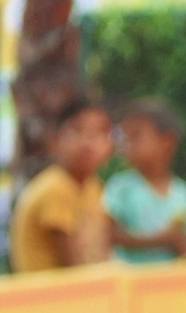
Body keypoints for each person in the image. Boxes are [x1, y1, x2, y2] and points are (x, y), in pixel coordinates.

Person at [9, 92, 112, 273]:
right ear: (54, 142)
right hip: (50, 290)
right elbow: (73, 270)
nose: (88, 143)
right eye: (78, 131)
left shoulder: (93, 187)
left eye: (98, 133)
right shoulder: (56, 188)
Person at [107, 99, 186, 264]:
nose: (127, 144)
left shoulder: (185, 194)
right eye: (125, 137)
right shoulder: (120, 187)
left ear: (166, 142)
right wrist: (164, 239)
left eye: (136, 136)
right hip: (132, 278)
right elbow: (111, 234)